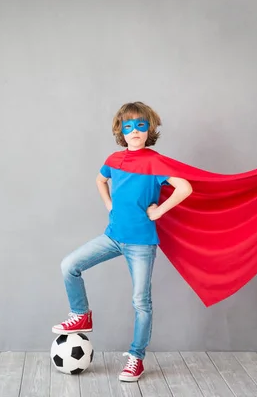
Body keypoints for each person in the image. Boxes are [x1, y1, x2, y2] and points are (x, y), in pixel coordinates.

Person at [51, 101, 193, 382]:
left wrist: (159, 210)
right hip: (113, 237)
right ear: (121, 131)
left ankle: (136, 358)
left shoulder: (155, 162)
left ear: (149, 129)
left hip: (141, 244)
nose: (135, 131)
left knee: (141, 302)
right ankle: (81, 314)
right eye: (128, 126)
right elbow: (100, 180)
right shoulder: (114, 160)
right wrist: (109, 205)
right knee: (69, 265)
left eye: (141, 125)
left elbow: (185, 187)